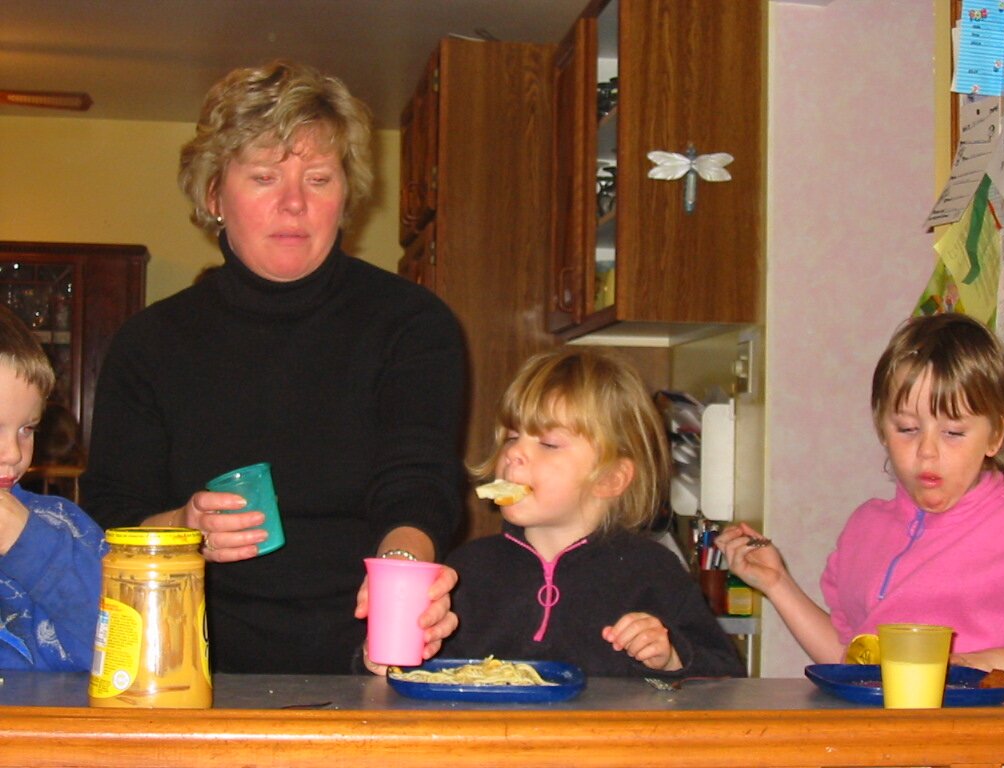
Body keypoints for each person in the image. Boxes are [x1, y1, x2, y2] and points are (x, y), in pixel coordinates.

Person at [80, 60, 466, 674]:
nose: (294, 204)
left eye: (318, 179)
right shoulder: (148, 344)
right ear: (214, 195)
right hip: (187, 663)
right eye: (264, 177)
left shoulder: (412, 324)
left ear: (345, 197)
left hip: (370, 656)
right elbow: (109, 513)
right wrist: (182, 528)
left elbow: (418, 483)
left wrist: (404, 577)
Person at [717, 312, 1004, 674]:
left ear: (995, 435)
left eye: (953, 433)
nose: (927, 452)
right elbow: (852, 663)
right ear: (882, 427)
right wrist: (777, 582)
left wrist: (968, 666)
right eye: (907, 429)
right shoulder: (865, 528)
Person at [441, 347, 746, 679]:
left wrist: (672, 657)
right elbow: (425, 676)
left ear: (610, 478)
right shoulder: (466, 570)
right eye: (511, 437)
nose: (514, 452)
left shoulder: (653, 571)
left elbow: (724, 680)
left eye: (549, 444)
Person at [0, 305, 105, 670]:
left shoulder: (62, 526)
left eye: (26, 429)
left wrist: (31, 546)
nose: (14, 453)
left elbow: (125, 648)